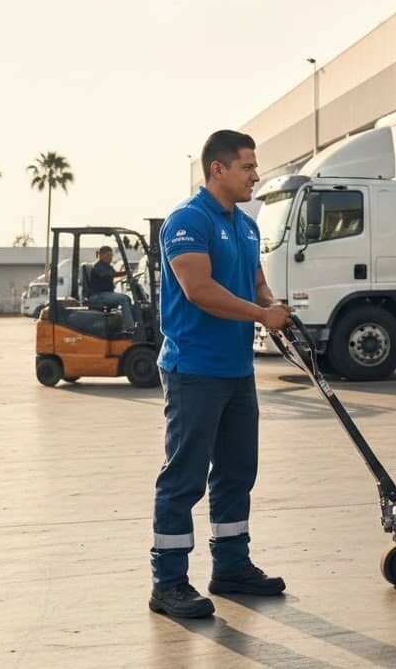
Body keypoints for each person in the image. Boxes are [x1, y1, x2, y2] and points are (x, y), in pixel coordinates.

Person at [149, 130, 292, 619]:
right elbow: (199, 290)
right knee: (184, 477)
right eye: (248, 167)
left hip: (237, 372)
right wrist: (260, 315)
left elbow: (255, 280)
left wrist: (272, 304)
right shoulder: (188, 221)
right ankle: (168, 583)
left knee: (236, 472)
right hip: (195, 369)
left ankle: (230, 566)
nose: (256, 175)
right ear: (218, 170)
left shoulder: (246, 226)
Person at [87, 245, 136, 331]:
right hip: (98, 296)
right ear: (101, 255)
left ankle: (129, 323)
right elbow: (108, 274)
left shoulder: (107, 266)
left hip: (106, 294)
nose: (110, 258)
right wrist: (125, 273)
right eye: (108, 255)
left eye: (111, 255)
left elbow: (114, 274)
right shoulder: (98, 266)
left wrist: (126, 273)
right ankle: (130, 328)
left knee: (127, 298)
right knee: (123, 299)